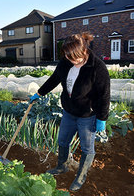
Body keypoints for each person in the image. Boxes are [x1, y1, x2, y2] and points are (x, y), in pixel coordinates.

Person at [29, 32, 110, 191]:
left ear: (84, 51)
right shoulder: (66, 62)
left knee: (87, 148)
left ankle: (81, 176)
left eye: (75, 59)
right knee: (63, 141)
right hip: (69, 112)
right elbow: (54, 79)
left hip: (87, 115)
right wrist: (39, 93)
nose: (72, 61)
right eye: (69, 58)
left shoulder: (97, 67)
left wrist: (102, 118)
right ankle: (62, 166)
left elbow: (104, 94)